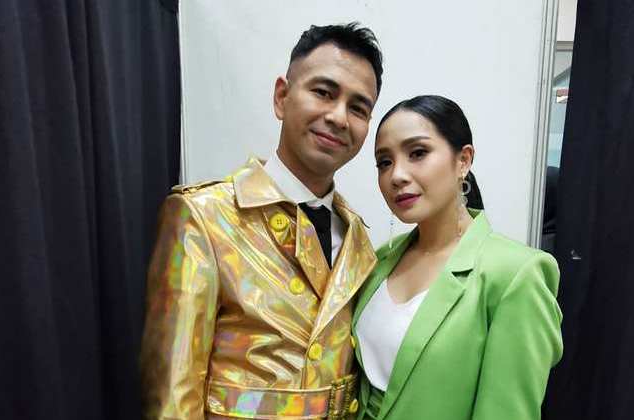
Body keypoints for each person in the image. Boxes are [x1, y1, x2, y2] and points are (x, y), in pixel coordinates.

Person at [141, 23, 383, 420]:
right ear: (282, 97)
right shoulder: (205, 217)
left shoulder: (358, 238)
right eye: (324, 92)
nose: (339, 117)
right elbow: (171, 397)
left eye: (358, 108)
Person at [352, 95, 563, 420]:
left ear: (463, 160)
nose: (397, 175)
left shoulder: (515, 274)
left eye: (417, 153)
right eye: (384, 162)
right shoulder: (379, 261)